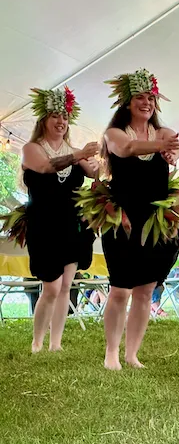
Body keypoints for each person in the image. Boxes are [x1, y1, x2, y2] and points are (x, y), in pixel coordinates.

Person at [100, 68, 179, 370]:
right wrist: (163, 148)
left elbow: (175, 147)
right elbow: (127, 149)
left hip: (154, 221)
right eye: (139, 97)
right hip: (122, 218)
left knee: (146, 290)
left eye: (150, 98)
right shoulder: (115, 134)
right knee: (120, 289)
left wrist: (173, 152)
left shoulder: (163, 133)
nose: (146, 102)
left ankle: (132, 353)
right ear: (127, 102)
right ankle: (111, 352)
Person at [21, 86, 99, 353]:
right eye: (55, 116)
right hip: (43, 225)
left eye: (65, 116)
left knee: (66, 285)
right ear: (43, 120)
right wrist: (79, 155)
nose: (61, 121)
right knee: (51, 287)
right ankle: (37, 341)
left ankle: (56, 344)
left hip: (72, 226)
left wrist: (102, 160)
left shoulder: (77, 152)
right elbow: (44, 167)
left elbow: (96, 173)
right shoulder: (31, 149)